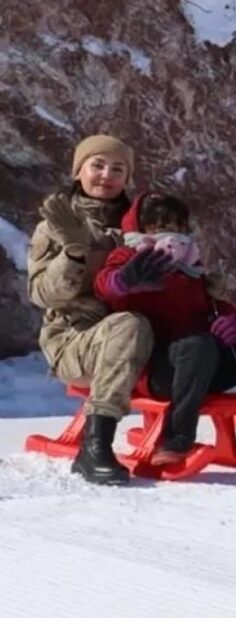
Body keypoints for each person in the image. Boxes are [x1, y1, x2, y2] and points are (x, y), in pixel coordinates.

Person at [93, 193, 236, 465]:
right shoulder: (129, 255)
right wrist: (124, 279)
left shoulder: (190, 265)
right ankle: (175, 438)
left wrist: (228, 320)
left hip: (200, 364)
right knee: (197, 345)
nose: (168, 232)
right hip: (154, 369)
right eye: (157, 225)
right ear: (140, 228)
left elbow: (209, 307)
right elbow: (104, 285)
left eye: (175, 225)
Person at [27, 135, 155, 485]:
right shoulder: (53, 226)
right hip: (74, 339)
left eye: (117, 169)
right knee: (129, 325)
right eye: (97, 165)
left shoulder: (139, 226)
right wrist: (72, 255)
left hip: (141, 338)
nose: (106, 175)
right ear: (78, 170)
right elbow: (41, 294)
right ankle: (95, 444)